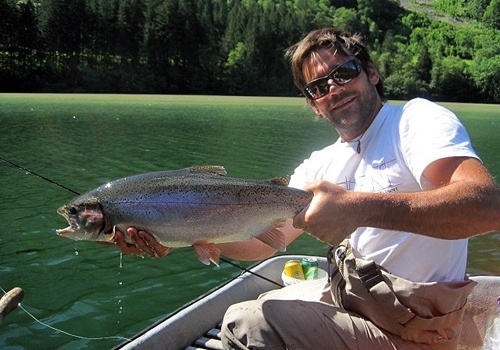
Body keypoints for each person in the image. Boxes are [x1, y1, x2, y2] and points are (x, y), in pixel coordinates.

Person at [113, 28, 500, 349]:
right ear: (314, 105)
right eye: (317, 86)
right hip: (352, 304)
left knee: (245, 323)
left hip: (418, 331)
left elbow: (486, 208)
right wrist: (175, 236)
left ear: (372, 73)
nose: (333, 88)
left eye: (344, 73)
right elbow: (267, 242)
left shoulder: (417, 120)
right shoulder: (320, 164)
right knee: (265, 301)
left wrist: (360, 208)